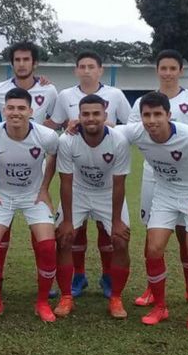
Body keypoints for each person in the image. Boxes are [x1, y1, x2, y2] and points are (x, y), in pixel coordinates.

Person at [117, 91, 188, 330]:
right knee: (154, 249)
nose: (152, 120)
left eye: (157, 114)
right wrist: (76, 126)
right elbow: (108, 131)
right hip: (164, 194)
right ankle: (160, 307)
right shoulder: (137, 131)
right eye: (147, 115)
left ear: (169, 115)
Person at [128, 49, 188, 310]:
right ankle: (153, 289)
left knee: (186, 233)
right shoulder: (143, 101)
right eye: (163, 68)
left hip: (187, 176)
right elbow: (131, 132)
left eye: (172, 68)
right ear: (157, 71)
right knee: (153, 233)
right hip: (154, 176)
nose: (167, 73)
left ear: (180, 71)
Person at [45, 51, 132, 299]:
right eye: (81, 66)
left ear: (100, 69)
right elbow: (55, 124)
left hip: (106, 170)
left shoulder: (114, 95)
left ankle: (108, 277)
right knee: (71, 232)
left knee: (111, 234)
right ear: (75, 70)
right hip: (78, 170)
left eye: (91, 66)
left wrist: (108, 127)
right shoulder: (65, 96)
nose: (86, 70)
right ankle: (78, 276)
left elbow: (132, 124)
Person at [0, 87, 59, 322]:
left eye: (21, 108)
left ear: (30, 111)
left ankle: (42, 302)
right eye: (11, 108)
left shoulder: (46, 136)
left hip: (34, 195)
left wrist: (44, 189)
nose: (16, 113)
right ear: (4, 110)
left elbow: (53, 155)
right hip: (1, 195)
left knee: (47, 245)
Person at [0, 41, 58, 292]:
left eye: (26, 59)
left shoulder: (49, 90)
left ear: (34, 63)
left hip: (33, 183)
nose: (22, 64)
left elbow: (55, 123)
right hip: (3, 186)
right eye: (17, 60)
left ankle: (46, 290)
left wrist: (37, 137)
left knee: (45, 241)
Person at [54, 94, 132, 319]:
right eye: (85, 114)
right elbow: (66, 182)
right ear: (78, 116)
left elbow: (119, 184)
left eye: (96, 113)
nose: (91, 118)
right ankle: (66, 296)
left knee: (120, 240)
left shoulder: (118, 141)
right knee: (64, 238)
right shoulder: (67, 140)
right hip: (78, 192)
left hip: (107, 193)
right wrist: (67, 221)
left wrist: (117, 221)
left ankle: (116, 297)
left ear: (105, 115)